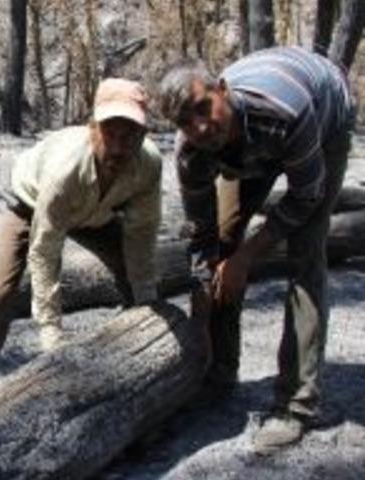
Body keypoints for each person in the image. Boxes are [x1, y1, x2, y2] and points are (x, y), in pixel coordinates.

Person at [159, 46, 357, 454]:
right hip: (253, 143)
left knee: (305, 252)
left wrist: (247, 258)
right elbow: (202, 234)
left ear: (222, 90)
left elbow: (306, 197)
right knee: (225, 239)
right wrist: (204, 302)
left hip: (324, 113)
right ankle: (217, 375)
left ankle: (296, 405)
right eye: (184, 121)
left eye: (202, 108)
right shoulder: (192, 153)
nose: (198, 127)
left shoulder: (286, 112)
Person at [0, 78, 163, 399]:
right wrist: (51, 333)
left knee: (134, 276)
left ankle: (137, 353)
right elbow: (45, 252)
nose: (118, 147)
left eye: (129, 136)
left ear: (143, 135)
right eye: (110, 135)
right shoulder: (65, 170)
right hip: (27, 202)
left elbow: (142, 235)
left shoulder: (149, 165)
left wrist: (147, 299)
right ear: (93, 129)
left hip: (95, 211)